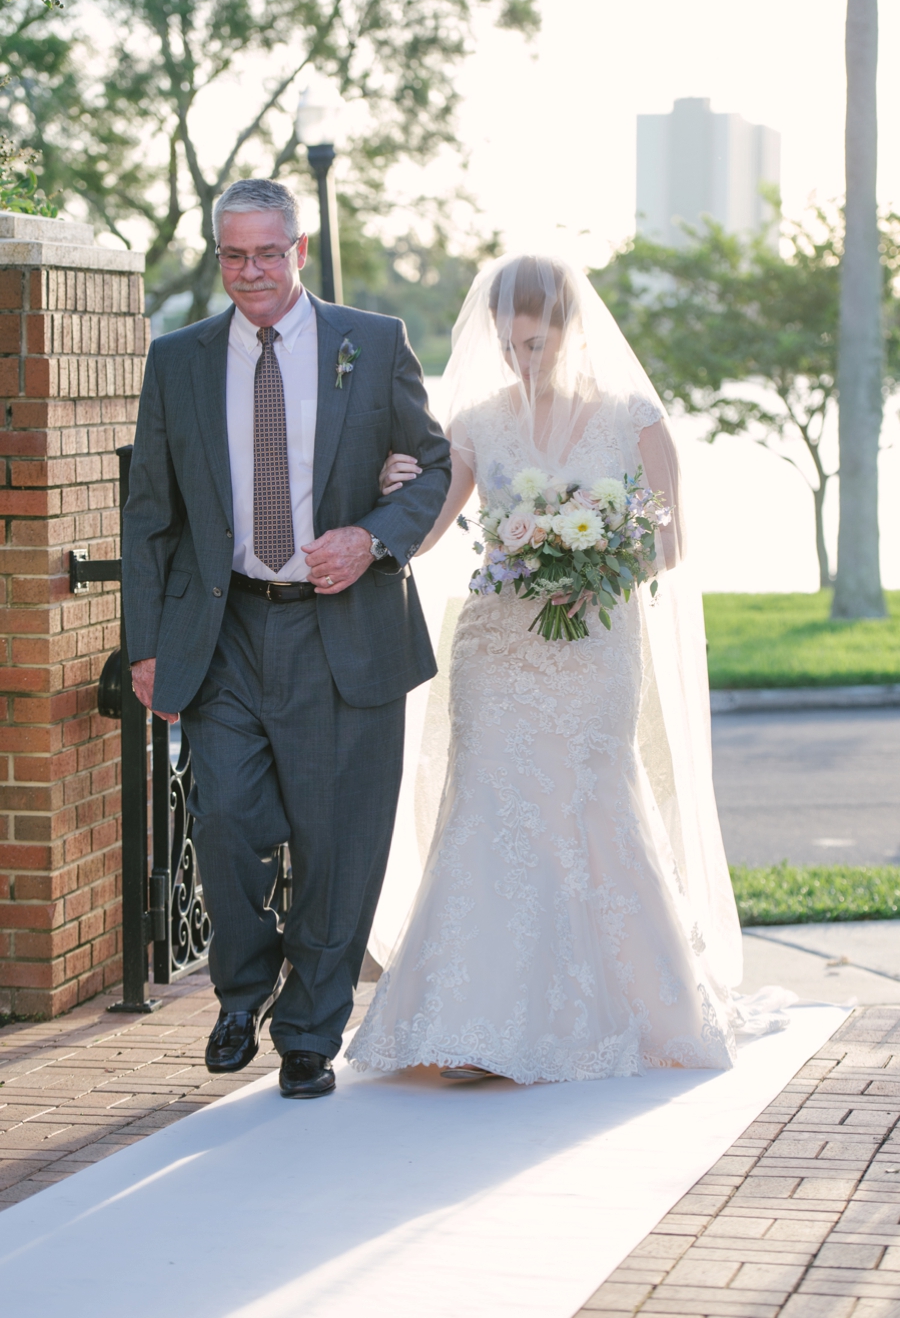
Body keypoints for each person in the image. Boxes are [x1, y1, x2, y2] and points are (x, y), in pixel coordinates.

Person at [347, 254, 787, 1084]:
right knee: (489, 805)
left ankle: (620, 1008)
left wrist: (590, 554)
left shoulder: (633, 415)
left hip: (593, 642)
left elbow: (669, 540)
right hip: (498, 646)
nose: (525, 360)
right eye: (511, 346)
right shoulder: (477, 420)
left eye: (537, 343)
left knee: (588, 804)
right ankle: (474, 1024)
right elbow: (435, 527)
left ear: (570, 329)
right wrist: (396, 481)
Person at [122, 178, 451, 1099]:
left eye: (269, 252)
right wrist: (145, 642)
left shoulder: (372, 343)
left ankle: (310, 1030)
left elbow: (431, 464)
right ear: (219, 256)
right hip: (225, 629)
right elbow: (149, 511)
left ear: (299, 251)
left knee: (339, 844)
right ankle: (243, 986)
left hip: (344, 629)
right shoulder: (179, 359)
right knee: (224, 815)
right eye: (235, 254)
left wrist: (373, 536)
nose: (252, 271)